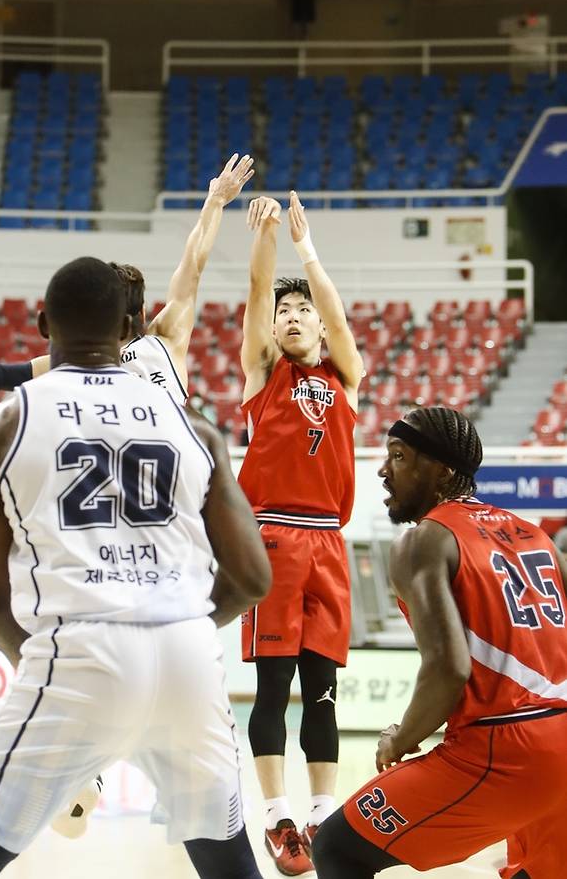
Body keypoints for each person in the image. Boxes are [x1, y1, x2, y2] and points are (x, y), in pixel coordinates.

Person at [0, 256, 271, 879]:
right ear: (131, 326)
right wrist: (180, 621)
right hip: (189, 654)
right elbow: (253, 580)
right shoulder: (195, 426)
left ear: (41, 323)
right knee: (226, 860)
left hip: (79, 651)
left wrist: (46, 669)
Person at [312, 406, 567, 879]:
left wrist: (400, 738)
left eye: (399, 456)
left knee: (335, 848)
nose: (384, 470)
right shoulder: (537, 536)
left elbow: (448, 668)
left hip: (504, 747)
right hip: (561, 740)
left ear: (442, 471)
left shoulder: (423, 541)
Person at [0, 153, 254, 405]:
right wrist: (214, 202)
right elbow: (193, 262)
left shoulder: (81, 357)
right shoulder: (163, 337)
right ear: (143, 311)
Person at [238, 191, 363, 875]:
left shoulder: (346, 375)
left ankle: (321, 816)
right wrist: (267, 241)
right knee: (272, 685)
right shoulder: (266, 373)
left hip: (329, 542)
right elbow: (260, 291)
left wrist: (308, 251)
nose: (291, 315)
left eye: (302, 309)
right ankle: (277, 813)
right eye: (286, 311)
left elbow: (340, 320)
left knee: (322, 688)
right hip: (276, 536)